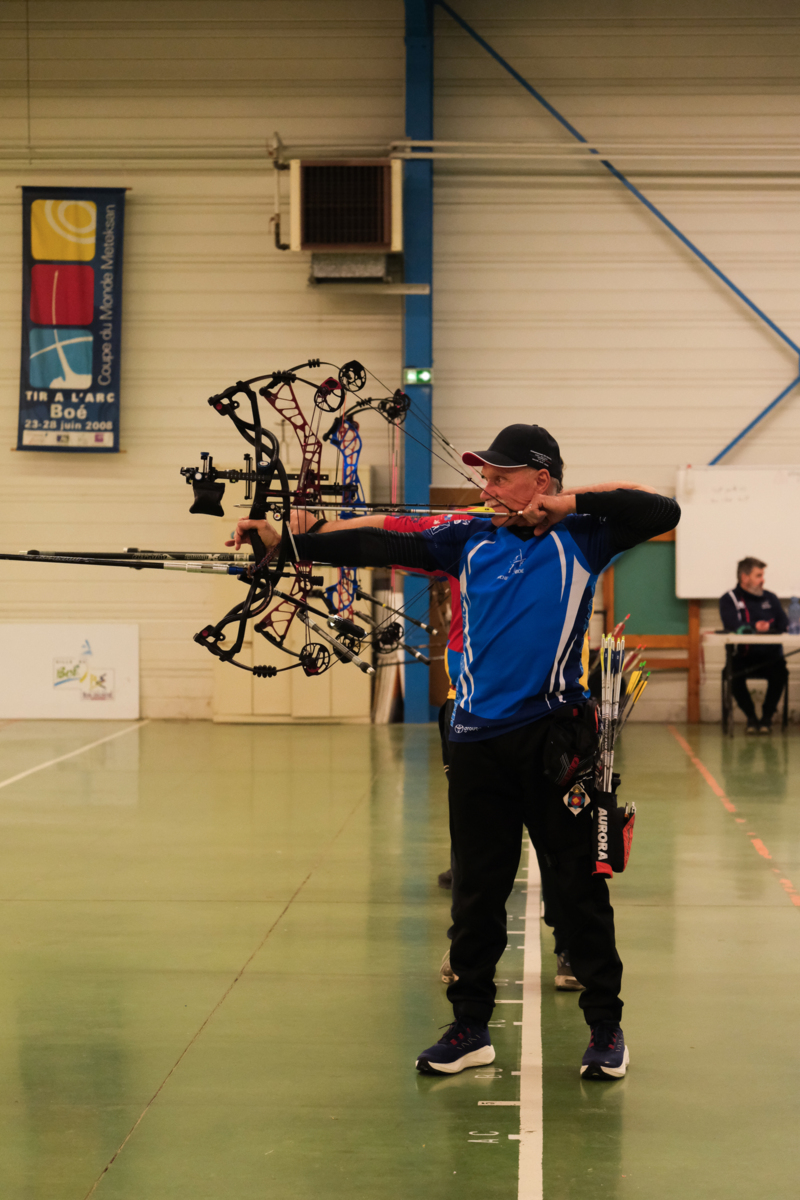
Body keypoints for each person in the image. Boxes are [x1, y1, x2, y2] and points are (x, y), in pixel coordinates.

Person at [229, 423, 680, 1080]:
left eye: (500, 477)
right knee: (475, 892)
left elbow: (661, 508)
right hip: (475, 740)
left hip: (553, 738)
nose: (485, 486)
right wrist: (289, 541)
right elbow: (380, 537)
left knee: (578, 889)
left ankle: (605, 1030)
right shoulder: (468, 535)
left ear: (541, 480)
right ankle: (470, 1028)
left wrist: (567, 505)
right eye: (484, 475)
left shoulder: (585, 536)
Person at [720, 557, 788, 734]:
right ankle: (751, 717)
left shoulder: (770, 597)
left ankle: (767, 718)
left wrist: (778, 627)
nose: (762, 580)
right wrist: (754, 627)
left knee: (781, 672)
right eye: (758, 575)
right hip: (744, 657)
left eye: (762, 575)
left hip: (770, 657)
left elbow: (784, 623)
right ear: (744, 577)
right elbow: (731, 624)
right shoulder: (729, 599)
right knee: (732, 673)